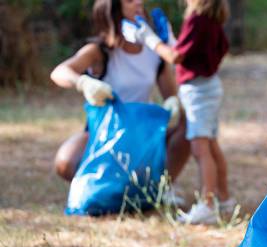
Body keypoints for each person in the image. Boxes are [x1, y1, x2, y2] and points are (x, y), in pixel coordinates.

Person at [50, 0, 190, 205]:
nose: (139, 2)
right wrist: (83, 82)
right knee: (65, 162)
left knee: (188, 124)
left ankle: (161, 188)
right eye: (130, 0)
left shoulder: (154, 52)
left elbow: (172, 96)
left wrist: (173, 105)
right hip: (104, 132)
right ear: (113, 7)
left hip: (142, 133)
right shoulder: (100, 51)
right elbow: (59, 72)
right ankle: (105, 185)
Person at [130, 0, 235, 225]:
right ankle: (224, 198)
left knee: (200, 149)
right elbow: (204, 49)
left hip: (198, 90)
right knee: (212, 145)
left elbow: (175, 57)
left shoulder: (196, 20)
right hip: (208, 86)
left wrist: (150, 38)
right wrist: (170, 40)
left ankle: (207, 204)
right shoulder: (211, 19)